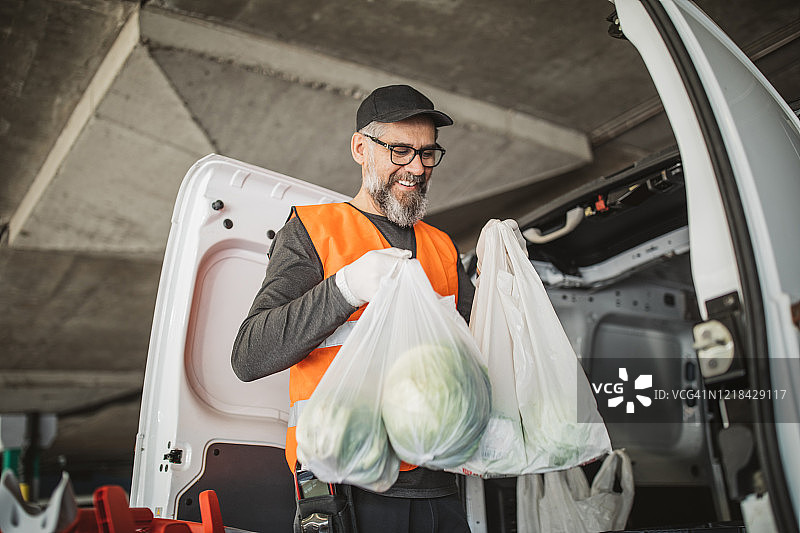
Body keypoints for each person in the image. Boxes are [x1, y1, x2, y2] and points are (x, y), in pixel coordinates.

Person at [231, 84, 475, 532]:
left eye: (427, 153)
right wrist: (345, 288)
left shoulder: (442, 248)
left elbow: (471, 364)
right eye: (400, 151)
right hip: (345, 488)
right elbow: (249, 355)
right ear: (360, 148)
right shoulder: (313, 230)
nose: (417, 168)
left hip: (439, 488)